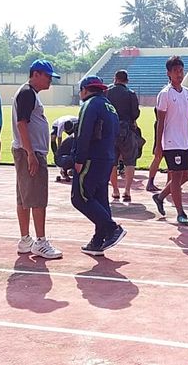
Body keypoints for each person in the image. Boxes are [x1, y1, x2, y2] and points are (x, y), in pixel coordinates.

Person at [12, 60, 62, 259]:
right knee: (37, 198)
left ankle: (26, 240)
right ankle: (40, 241)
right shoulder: (27, 93)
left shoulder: (28, 93)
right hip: (30, 152)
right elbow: (22, 123)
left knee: (24, 198)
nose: (50, 81)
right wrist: (31, 153)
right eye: (48, 76)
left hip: (25, 150)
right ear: (36, 74)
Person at [72, 76, 127, 256]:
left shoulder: (90, 104)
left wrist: (78, 159)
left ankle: (112, 229)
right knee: (101, 200)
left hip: (91, 159)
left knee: (80, 198)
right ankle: (98, 240)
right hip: (107, 158)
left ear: (84, 90)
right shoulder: (109, 106)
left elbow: (83, 133)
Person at [152, 56, 188, 225]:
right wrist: (158, 145)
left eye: (181, 71)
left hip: (184, 141)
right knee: (176, 176)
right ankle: (180, 212)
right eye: (175, 71)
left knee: (185, 176)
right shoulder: (165, 94)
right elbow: (160, 121)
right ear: (168, 73)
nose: (179, 74)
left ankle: (160, 196)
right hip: (171, 142)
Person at [106, 69, 141, 202]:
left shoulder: (107, 92)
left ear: (115, 78)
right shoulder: (130, 94)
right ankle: (127, 190)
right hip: (127, 129)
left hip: (110, 130)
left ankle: (115, 190)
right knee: (130, 161)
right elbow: (135, 113)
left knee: (112, 162)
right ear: (126, 80)